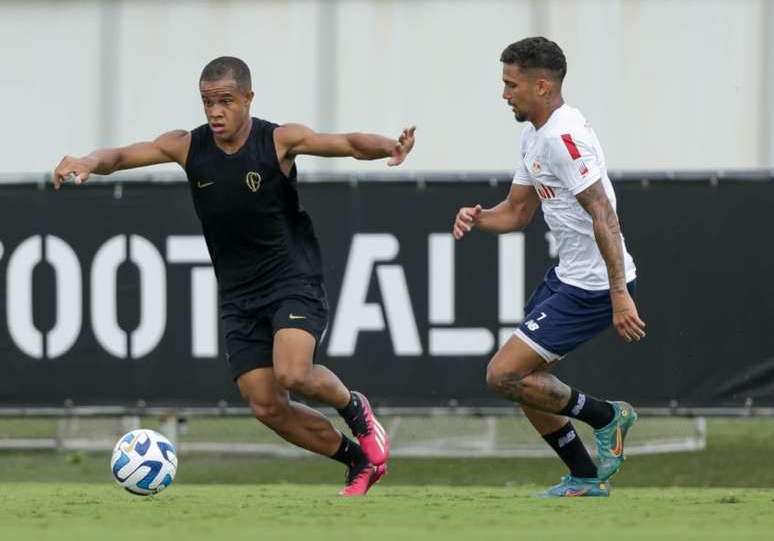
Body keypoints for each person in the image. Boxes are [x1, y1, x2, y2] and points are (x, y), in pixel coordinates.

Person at [53, 56, 414, 496]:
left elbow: (349, 144)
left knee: (294, 373)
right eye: (208, 102)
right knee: (266, 405)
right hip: (239, 294)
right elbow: (125, 155)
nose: (215, 112)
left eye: (225, 101)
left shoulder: (278, 140)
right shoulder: (188, 146)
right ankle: (356, 460)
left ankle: (356, 409)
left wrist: (389, 147)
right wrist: (89, 160)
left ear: (248, 98)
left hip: (291, 280)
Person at [452, 37, 646, 497]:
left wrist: (618, 292)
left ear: (541, 86)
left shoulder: (564, 136)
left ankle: (607, 416)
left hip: (595, 285)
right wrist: (479, 219)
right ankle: (583, 477)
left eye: (510, 84)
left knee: (503, 374)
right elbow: (517, 213)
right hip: (567, 276)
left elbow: (604, 214)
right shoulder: (533, 134)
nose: (504, 95)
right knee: (521, 382)